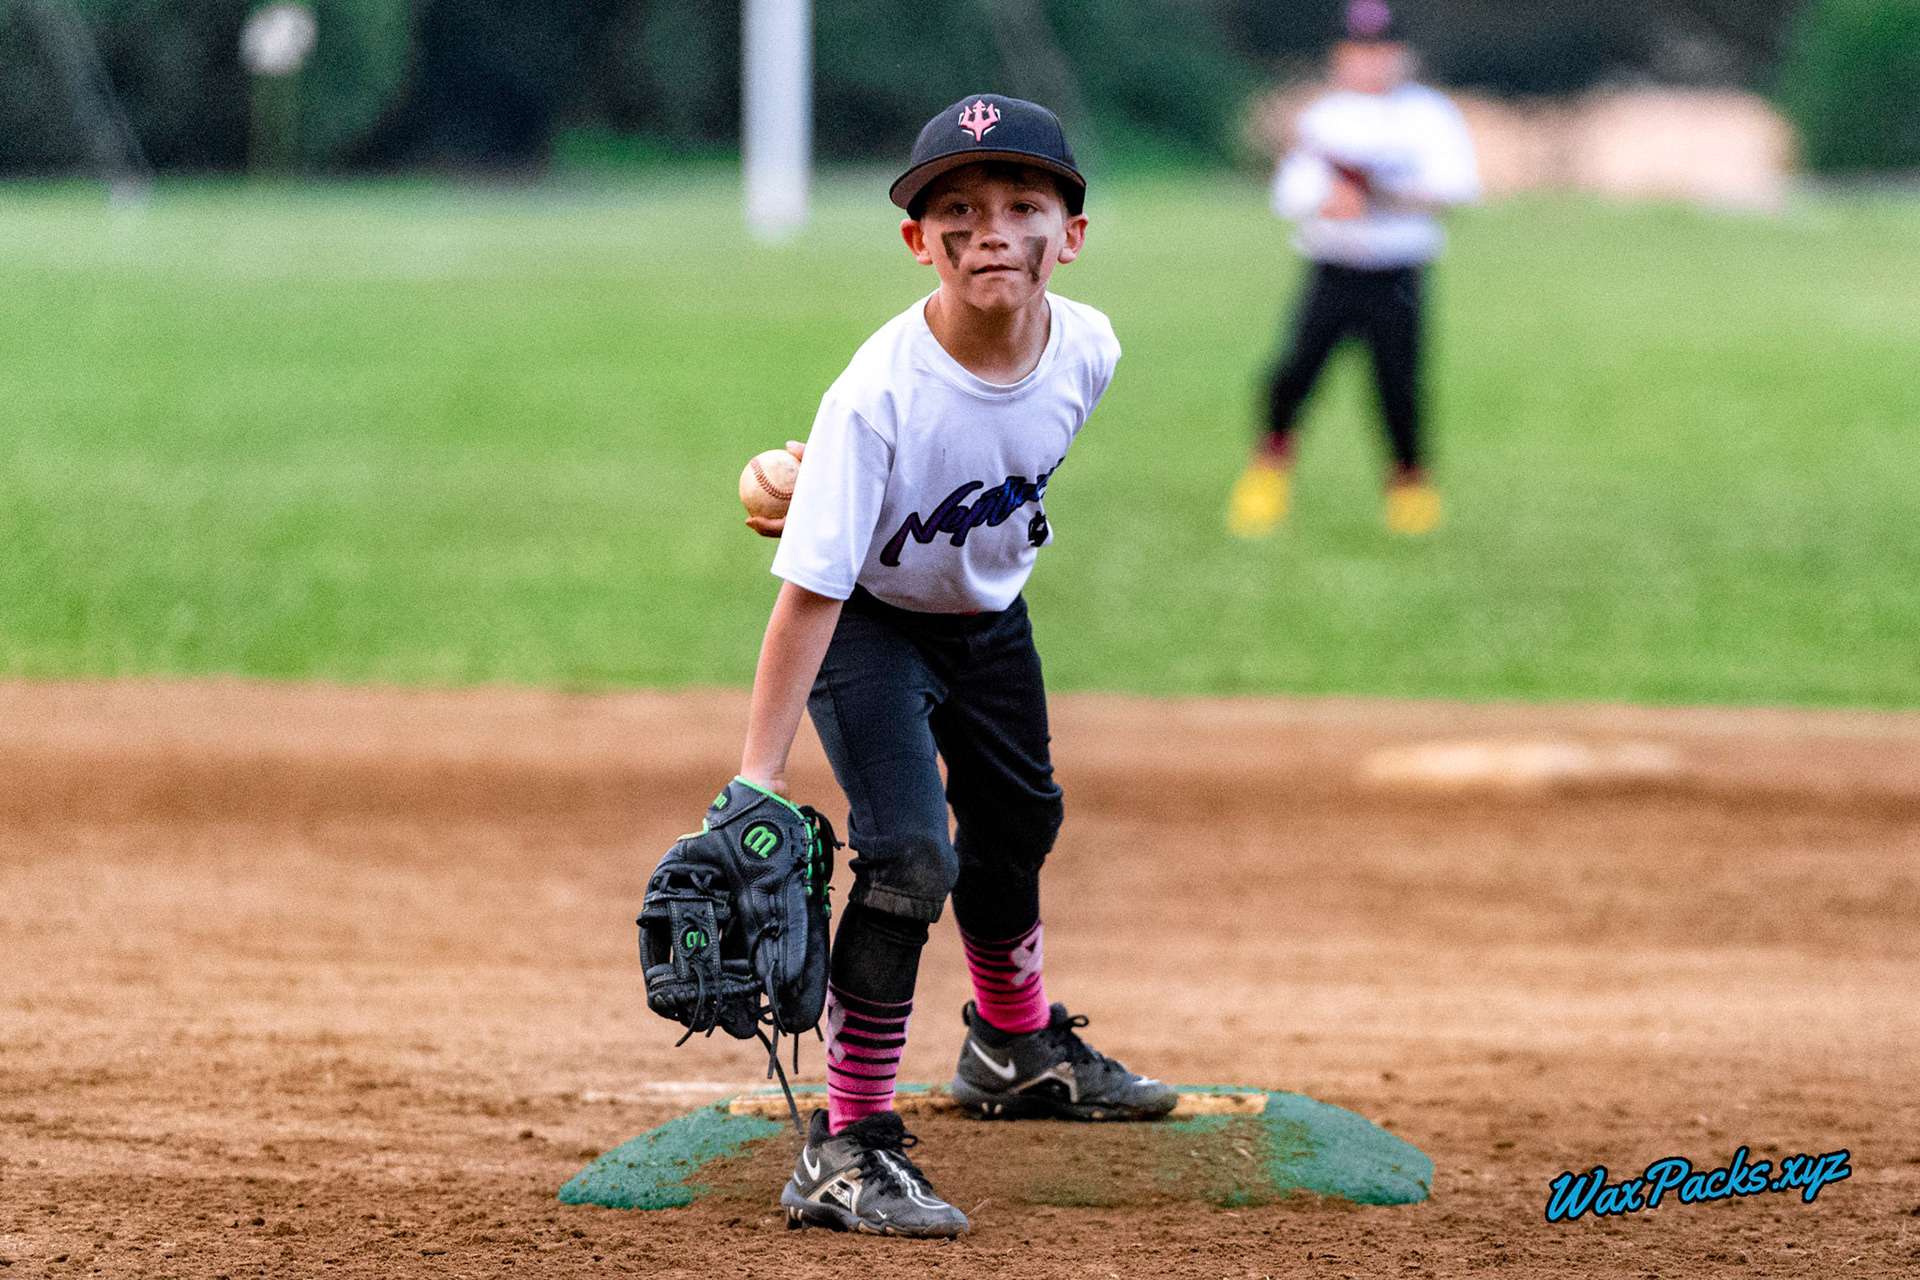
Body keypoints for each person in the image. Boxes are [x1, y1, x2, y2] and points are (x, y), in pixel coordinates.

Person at [736, 94, 1176, 1239]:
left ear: (1069, 235)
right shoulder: (874, 398)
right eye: (958, 210)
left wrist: (829, 490)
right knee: (908, 857)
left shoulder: (1092, 346)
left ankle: (1011, 1044)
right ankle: (846, 1143)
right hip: (869, 627)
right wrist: (754, 779)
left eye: (1023, 204)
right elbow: (809, 596)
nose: (991, 229)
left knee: (1020, 819)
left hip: (987, 619)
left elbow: (992, 461)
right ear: (917, 241)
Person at [1227, 0, 1480, 538]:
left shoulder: (1429, 115)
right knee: (1293, 375)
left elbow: (1455, 189)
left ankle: (1410, 490)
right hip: (1332, 269)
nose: (1370, 63)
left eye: (1381, 51)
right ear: (1341, 56)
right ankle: (1266, 477)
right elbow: (1292, 193)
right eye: (1358, 51)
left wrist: (1383, 196)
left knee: (1399, 388)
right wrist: (1332, 202)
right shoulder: (1325, 117)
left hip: (1398, 273)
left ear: (1401, 55)